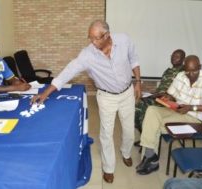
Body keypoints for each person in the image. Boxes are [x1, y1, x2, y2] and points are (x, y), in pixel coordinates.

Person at [31, 20, 141, 183]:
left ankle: (126, 152)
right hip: (106, 97)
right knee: (106, 133)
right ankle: (108, 168)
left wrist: (138, 82)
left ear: (107, 35)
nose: (92, 42)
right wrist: (46, 92)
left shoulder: (123, 40)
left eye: (96, 38)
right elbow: (68, 71)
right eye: (90, 38)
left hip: (127, 94)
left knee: (129, 131)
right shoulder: (87, 55)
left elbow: (134, 59)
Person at [136, 55, 202, 175]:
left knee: (153, 125)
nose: (190, 74)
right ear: (183, 68)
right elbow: (171, 94)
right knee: (151, 111)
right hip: (178, 111)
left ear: (200, 67)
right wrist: (168, 98)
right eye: (187, 71)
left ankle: (151, 159)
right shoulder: (181, 75)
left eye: (194, 71)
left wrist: (192, 107)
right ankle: (151, 157)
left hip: (195, 118)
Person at [135, 49, 185, 132]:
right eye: (172, 56)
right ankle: (144, 133)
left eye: (177, 57)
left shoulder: (184, 72)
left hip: (169, 100)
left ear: (183, 59)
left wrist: (164, 95)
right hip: (159, 97)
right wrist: (152, 93)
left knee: (142, 107)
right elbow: (161, 87)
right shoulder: (167, 71)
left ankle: (147, 134)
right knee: (138, 103)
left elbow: (182, 92)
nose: (173, 58)